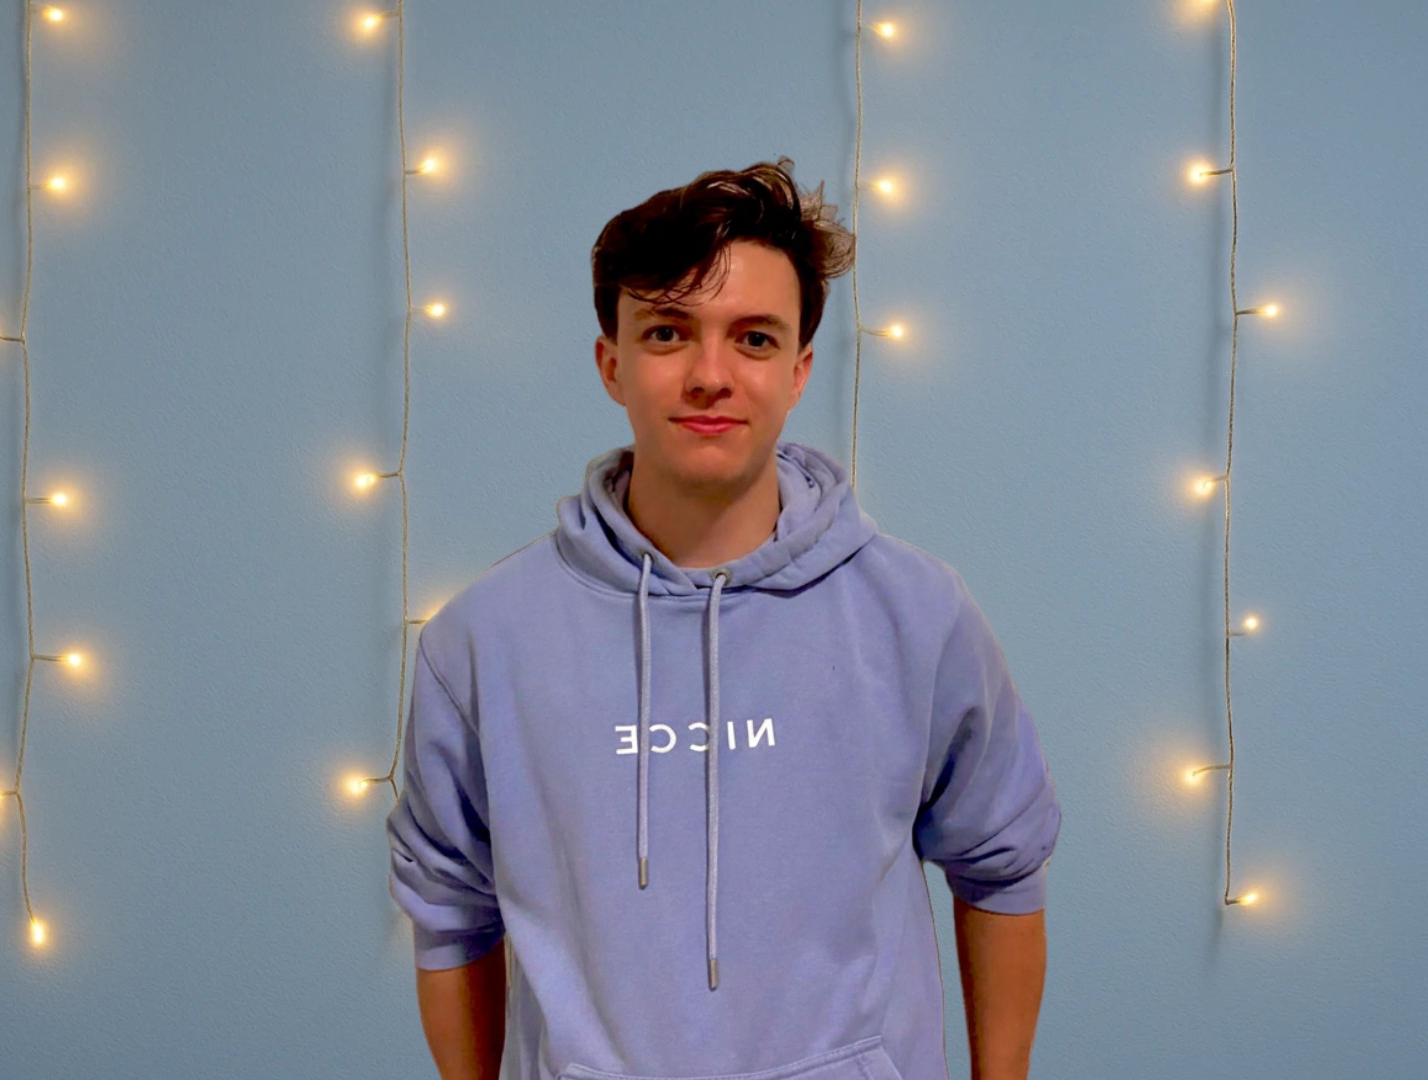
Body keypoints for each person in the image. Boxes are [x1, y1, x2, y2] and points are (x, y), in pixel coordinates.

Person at [387, 157, 1061, 1080]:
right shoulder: (482, 640)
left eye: (752, 339)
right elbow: (451, 915)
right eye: (669, 333)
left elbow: (1004, 869)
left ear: (798, 370)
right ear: (611, 365)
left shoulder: (918, 614)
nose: (711, 375)